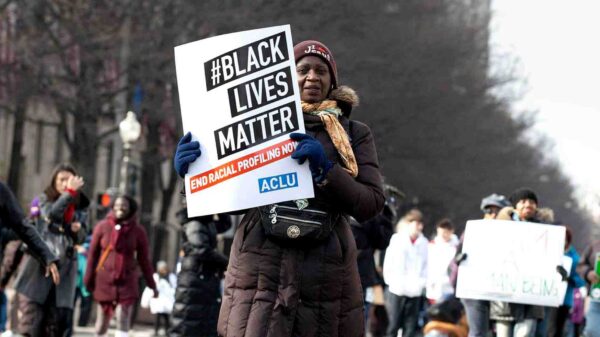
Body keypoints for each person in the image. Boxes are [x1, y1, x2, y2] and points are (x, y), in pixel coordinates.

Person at [173, 40, 385, 336]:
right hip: (261, 269)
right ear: (286, 76)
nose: (312, 77)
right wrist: (194, 176)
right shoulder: (253, 122)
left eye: (321, 70)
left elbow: (371, 203)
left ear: (332, 80)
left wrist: (326, 169)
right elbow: (228, 198)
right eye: (303, 69)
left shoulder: (354, 133)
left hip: (325, 273)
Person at [14, 164, 88, 337]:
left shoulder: (81, 206)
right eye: (61, 180)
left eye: (69, 180)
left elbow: (83, 236)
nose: (65, 184)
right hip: (39, 269)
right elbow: (53, 215)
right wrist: (69, 193)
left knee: (56, 327)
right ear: (53, 182)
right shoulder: (42, 200)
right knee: (31, 325)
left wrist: (78, 230)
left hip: (64, 273)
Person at [84, 195, 157, 337]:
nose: (120, 208)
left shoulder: (138, 231)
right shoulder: (102, 227)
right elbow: (92, 256)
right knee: (101, 323)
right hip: (104, 281)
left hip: (127, 281)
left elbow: (144, 260)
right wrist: (88, 280)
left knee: (123, 318)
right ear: (112, 207)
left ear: (130, 209)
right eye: (117, 205)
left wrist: (152, 285)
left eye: (124, 205)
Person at [491, 188, 545, 337]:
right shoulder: (498, 227)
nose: (528, 205)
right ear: (514, 206)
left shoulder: (545, 232)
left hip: (531, 295)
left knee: (525, 334)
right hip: (504, 296)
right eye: (523, 201)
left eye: (532, 202)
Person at [169, 208, 231, 337]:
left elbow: (226, 225)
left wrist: (222, 207)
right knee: (187, 321)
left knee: (201, 321)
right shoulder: (195, 224)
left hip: (202, 278)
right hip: (195, 278)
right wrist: (228, 263)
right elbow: (201, 250)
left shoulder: (206, 223)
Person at [455, 193, 510, 337]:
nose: (492, 214)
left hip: (503, 290)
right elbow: (455, 260)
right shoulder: (473, 231)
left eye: (497, 210)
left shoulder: (513, 235)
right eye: (488, 210)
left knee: (496, 332)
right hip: (475, 289)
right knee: (478, 331)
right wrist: (459, 260)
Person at [383, 209, 429, 337]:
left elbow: (426, 265)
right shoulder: (397, 239)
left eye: (421, 224)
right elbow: (389, 261)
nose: (419, 227)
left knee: (410, 327)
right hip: (397, 289)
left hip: (415, 290)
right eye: (416, 223)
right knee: (393, 325)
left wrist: (422, 283)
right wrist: (391, 280)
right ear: (409, 223)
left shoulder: (424, 242)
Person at [426, 218, 459, 303]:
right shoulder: (431, 246)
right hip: (435, 287)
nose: (443, 235)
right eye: (440, 233)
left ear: (451, 231)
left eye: (445, 233)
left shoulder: (457, 247)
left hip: (450, 287)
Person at [141, 261, 176, 336]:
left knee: (166, 318)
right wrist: (145, 301)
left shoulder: (171, 277)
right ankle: (156, 331)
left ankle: (167, 332)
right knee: (157, 317)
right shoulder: (156, 276)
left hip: (167, 301)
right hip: (158, 301)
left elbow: (174, 288)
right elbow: (149, 289)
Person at [577, 236, 600, 337]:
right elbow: (580, 265)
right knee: (591, 331)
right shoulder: (595, 245)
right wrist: (588, 273)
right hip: (597, 300)